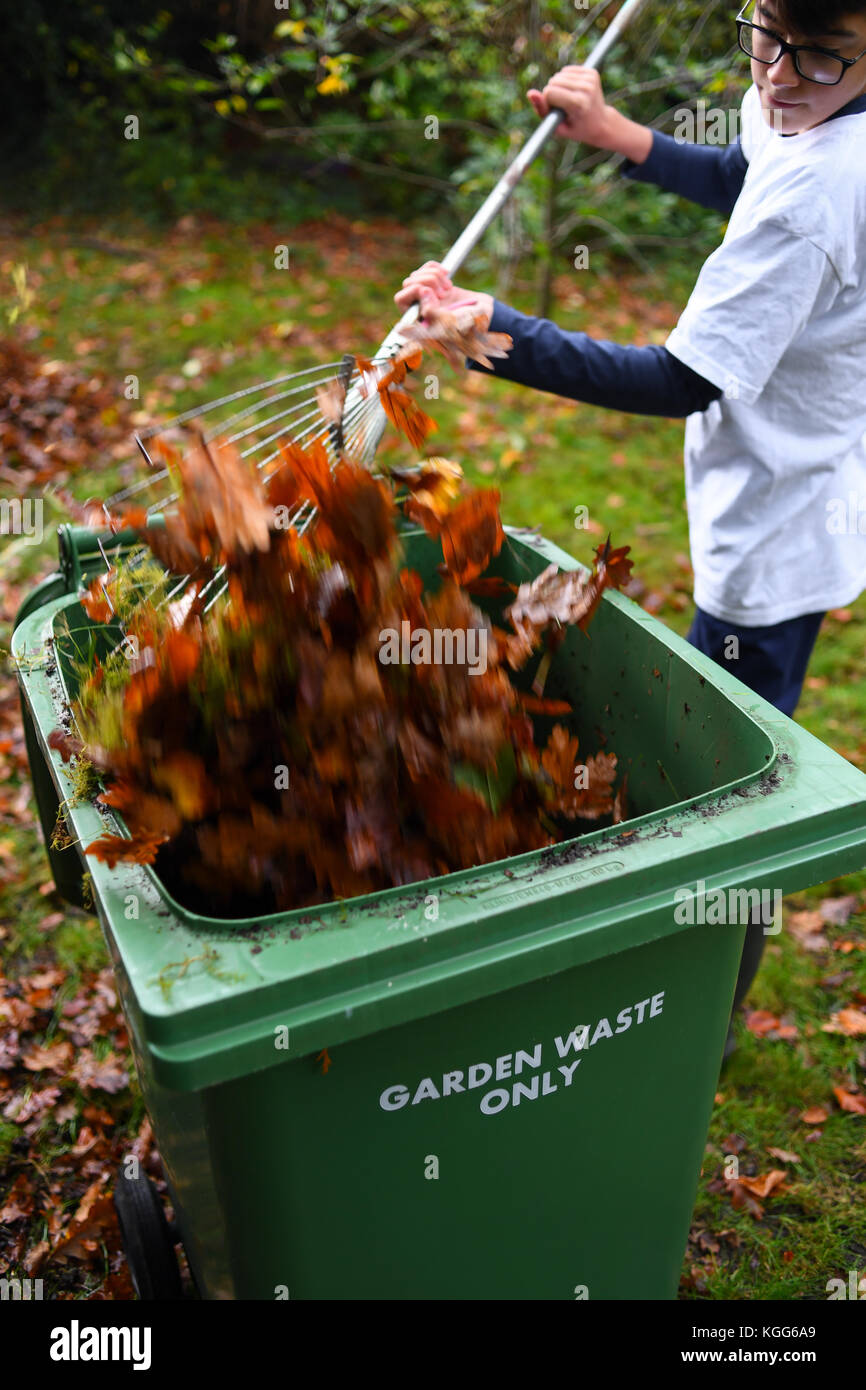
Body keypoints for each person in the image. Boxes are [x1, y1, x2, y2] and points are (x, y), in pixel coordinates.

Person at [394, 0, 866, 1055]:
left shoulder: (827, 193)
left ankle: (703, 997)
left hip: (780, 517)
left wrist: (495, 330)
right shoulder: (802, 95)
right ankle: (693, 966)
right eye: (764, 39)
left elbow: (677, 380)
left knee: (730, 773)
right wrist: (622, 140)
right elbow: (748, 166)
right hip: (775, 466)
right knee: (723, 748)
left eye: (821, 59)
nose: (780, 78)